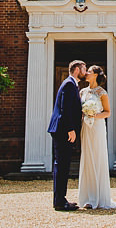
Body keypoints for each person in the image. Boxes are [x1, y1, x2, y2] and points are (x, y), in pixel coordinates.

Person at [77, 65, 116, 209]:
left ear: (96, 75)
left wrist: (94, 115)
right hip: (85, 127)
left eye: (89, 72)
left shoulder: (102, 93)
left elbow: (108, 112)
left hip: (97, 127)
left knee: (97, 157)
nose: (86, 73)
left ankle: (97, 198)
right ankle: (87, 197)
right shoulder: (82, 92)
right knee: (87, 157)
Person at [48, 59, 86, 211]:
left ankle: (61, 199)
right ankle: (59, 201)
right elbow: (65, 109)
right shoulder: (69, 84)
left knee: (63, 165)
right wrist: (71, 129)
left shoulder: (71, 84)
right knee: (62, 166)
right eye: (84, 68)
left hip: (62, 130)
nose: (86, 71)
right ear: (77, 69)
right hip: (63, 130)